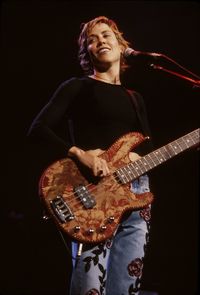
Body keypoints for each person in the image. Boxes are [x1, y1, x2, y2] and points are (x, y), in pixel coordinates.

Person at [28, 16, 153, 295]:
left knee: (127, 284)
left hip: (135, 192)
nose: (100, 42)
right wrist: (79, 153)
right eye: (92, 40)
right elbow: (38, 129)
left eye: (106, 35)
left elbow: (143, 145)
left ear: (121, 45)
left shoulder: (136, 97)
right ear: (87, 53)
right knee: (90, 285)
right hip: (93, 194)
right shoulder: (77, 86)